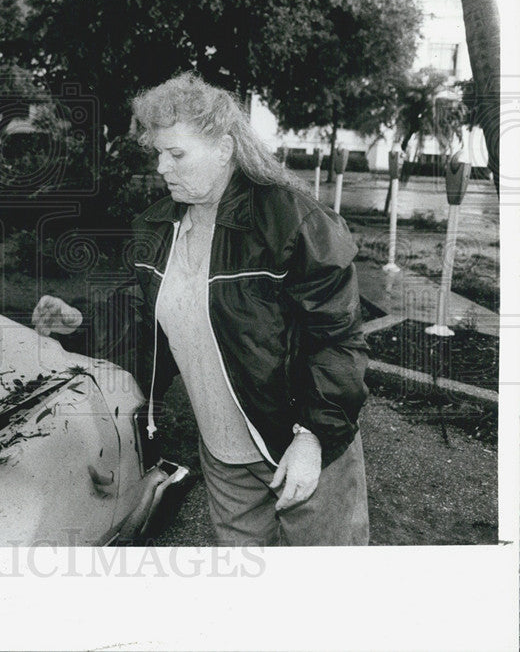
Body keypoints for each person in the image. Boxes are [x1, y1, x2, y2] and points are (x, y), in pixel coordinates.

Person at [32, 72, 369, 546]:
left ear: (225, 147)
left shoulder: (294, 224)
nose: (162, 168)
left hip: (302, 449)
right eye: (158, 154)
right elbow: (145, 326)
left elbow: (337, 341)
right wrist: (80, 325)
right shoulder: (157, 229)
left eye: (177, 154)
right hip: (224, 457)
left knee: (318, 598)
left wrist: (314, 438)